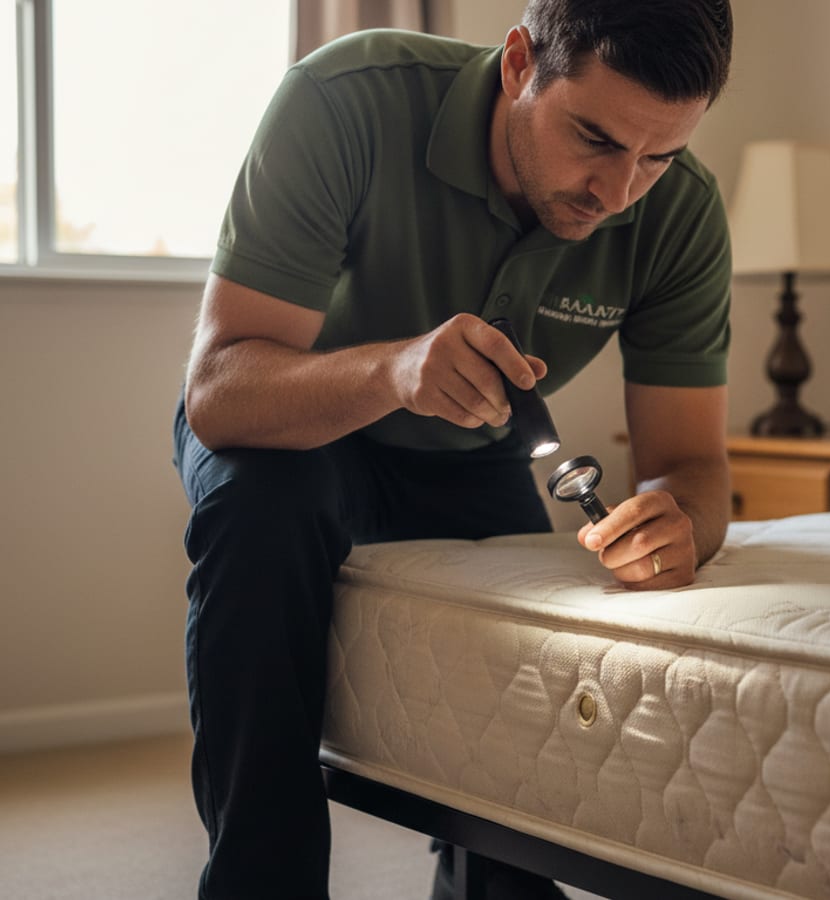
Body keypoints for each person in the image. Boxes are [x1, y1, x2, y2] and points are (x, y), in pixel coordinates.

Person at [172, 0, 734, 897]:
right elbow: (219, 394)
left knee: (524, 639)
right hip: (288, 431)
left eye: (656, 156)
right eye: (593, 137)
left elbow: (695, 466)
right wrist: (393, 371)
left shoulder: (682, 217)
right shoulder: (345, 98)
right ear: (519, 63)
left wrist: (682, 523)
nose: (616, 191)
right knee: (260, 508)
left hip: (475, 453)